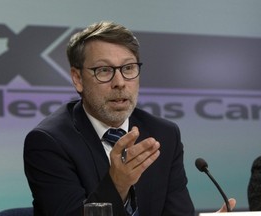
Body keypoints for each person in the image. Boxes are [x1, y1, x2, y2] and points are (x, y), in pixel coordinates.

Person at [24, 21, 235, 216]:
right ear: (77, 79)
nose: (120, 82)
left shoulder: (164, 134)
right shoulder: (48, 142)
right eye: (104, 70)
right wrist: (117, 184)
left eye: (128, 68)